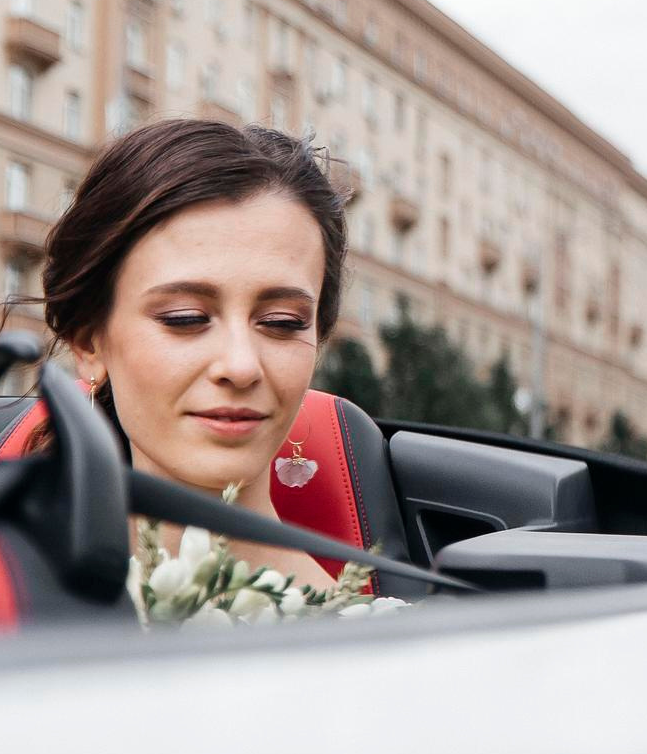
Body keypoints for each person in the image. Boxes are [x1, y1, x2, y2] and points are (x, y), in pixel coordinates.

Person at [25, 116, 389, 616]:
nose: (241, 366)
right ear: (89, 341)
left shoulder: (378, 643)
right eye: (186, 318)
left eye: (282, 323)